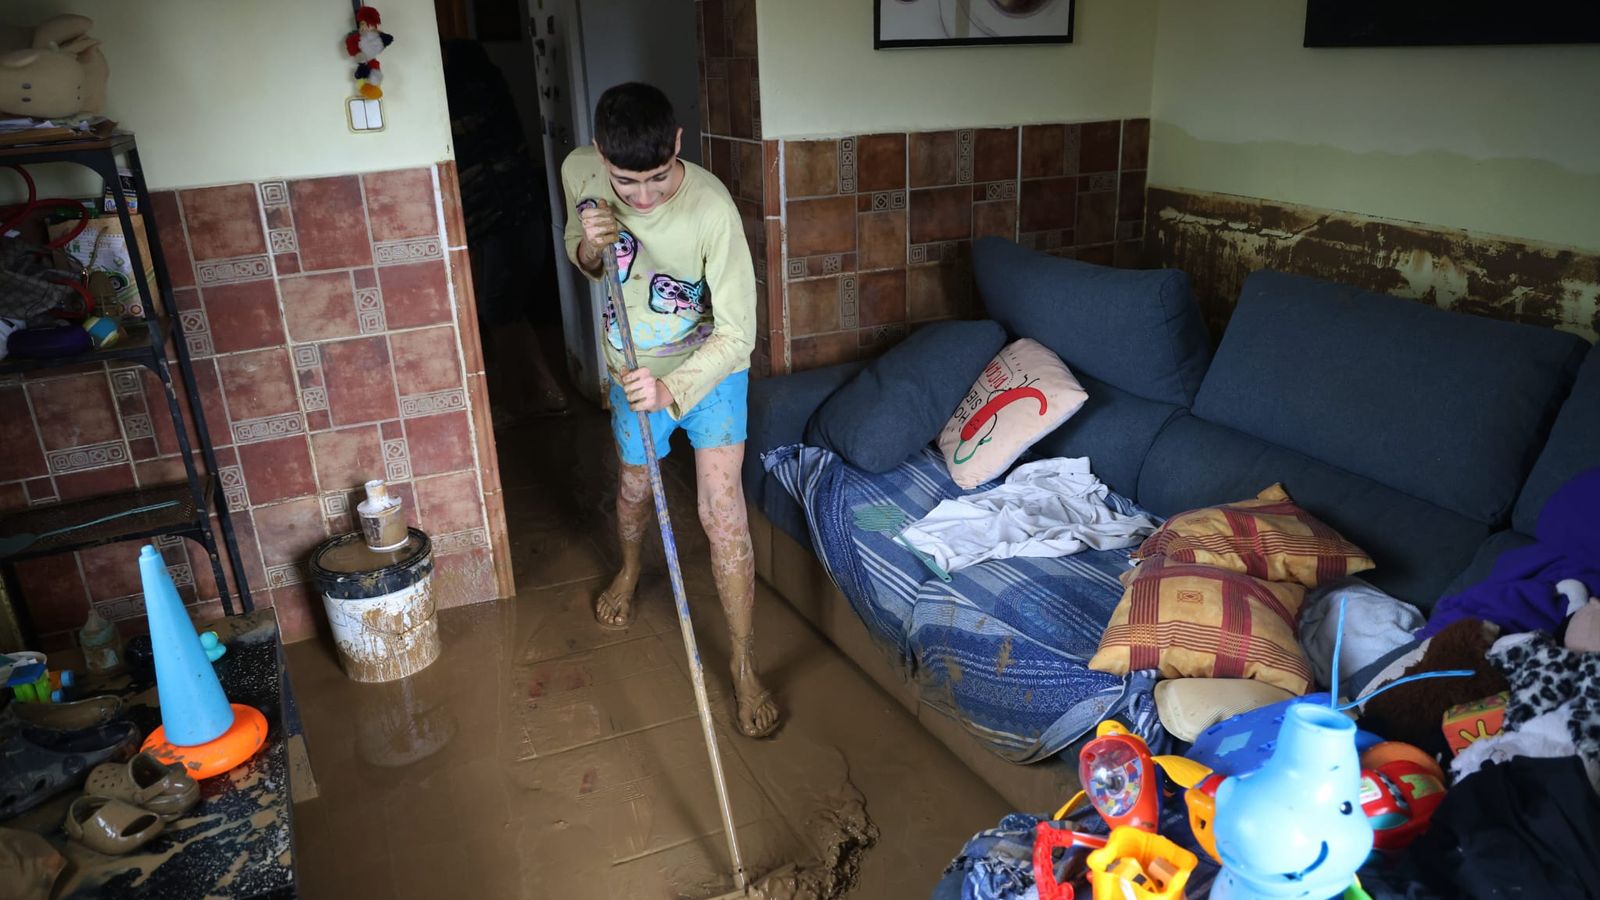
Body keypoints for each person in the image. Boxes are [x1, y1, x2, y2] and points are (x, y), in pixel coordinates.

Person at [560, 82, 780, 739]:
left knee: (722, 512)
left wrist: (674, 390)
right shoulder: (580, 171)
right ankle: (629, 570)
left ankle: (743, 664)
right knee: (633, 487)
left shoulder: (711, 209)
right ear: (603, 155)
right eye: (629, 183)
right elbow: (586, 256)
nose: (646, 196)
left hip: (711, 371)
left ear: (678, 144)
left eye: (658, 178)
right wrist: (592, 245)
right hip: (634, 372)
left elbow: (740, 333)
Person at [442, 38, 569, 419]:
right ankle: (537, 393)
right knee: (507, 307)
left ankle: (522, 399)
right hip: (523, 205)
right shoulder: (491, 85)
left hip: (496, 212)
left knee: (499, 308)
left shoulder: (458, 97)